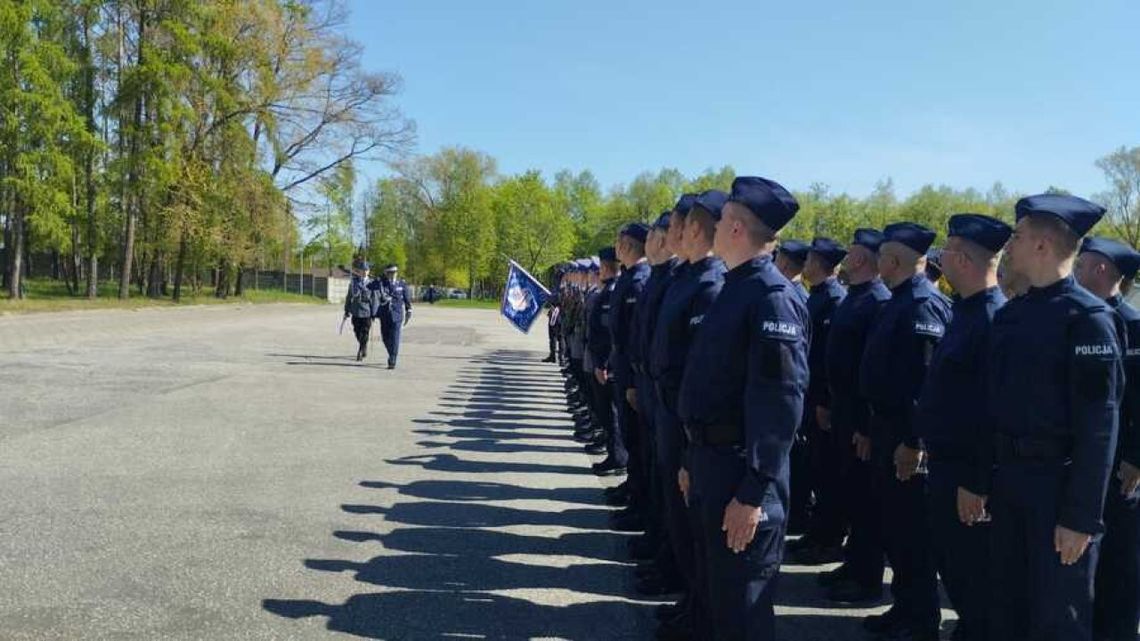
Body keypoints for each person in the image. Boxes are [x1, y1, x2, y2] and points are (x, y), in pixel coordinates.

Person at [984, 194, 1122, 641]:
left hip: (1057, 490)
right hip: (1010, 481)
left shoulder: (1087, 320)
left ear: (1042, 246)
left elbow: (1099, 427)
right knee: (1006, 608)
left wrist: (1081, 517)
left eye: (1018, 236)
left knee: (1057, 619)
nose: (1009, 245)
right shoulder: (1014, 315)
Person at [677, 176, 809, 640]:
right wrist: (693, 457)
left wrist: (753, 492)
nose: (711, 228)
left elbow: (780, 405)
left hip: (743, 476)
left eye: (720, 220)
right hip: (715, 465)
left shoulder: (772, 297)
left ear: (734, 227)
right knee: (718, 600)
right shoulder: (736, 287)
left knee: (743, 613)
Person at [915, 213, 1012, 641]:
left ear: (965, 259)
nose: (941, 258)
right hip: (947, 464)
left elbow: (993, 411)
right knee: (956, 569)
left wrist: (976, 481)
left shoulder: (993, 318)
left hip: (967, 474)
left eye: (948, 251)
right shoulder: (966, 310)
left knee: (975, 576)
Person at [858, 222, 952, 641]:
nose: (876, 262)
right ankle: (905, 607)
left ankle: (921, 620)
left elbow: (925, 383)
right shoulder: (899, 300)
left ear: (892, 260)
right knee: (894, 526)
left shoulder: (922, 305)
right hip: (886, 428)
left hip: (906, 437)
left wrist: (914, 443)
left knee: (912, 533)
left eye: (880, 256)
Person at [650, 189, 728, 641]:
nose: (669, 236)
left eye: (676, 228)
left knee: (693, 525)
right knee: (682, 520)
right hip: (670, 406)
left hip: (687, 420)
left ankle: (697, 608)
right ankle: (691, 602)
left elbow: (702, 370)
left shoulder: (710, 284)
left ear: (694, 230)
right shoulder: (688, 276)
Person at [820, 229, 893, 605]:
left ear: (861, 259)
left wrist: (865, 426)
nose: (845, 259)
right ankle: (853, 565)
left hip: (861, 418)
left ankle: (866, 577)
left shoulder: (877, 302)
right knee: (849, 491)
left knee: (866, 502)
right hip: (843, 412)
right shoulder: (856, 297)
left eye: (851, 253)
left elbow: (874, 371)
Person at [1073, 237, 1140, 641]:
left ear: (1101, 270)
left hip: (1121, 465)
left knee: (1120, 558)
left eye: (1082, 266)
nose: (1075, 273)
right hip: (1086, 456)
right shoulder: (1080, 318)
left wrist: (1136, 456)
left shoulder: (1133, 324)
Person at [786, 237, 848, 566]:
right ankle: (816, 533)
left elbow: (830, 359)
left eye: (809, 260)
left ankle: (829, 538)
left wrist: (825, 400)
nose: (804, 265)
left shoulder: (835, 299)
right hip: (810, 397)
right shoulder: (819, 297)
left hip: (823, 402)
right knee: (815, 466)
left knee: (828, 474)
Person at [607, 223, 653, 526]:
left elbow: (636, 337)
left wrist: (634, 379)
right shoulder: (630, 277)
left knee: (638, 442)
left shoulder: (639, 280)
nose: (616, 248)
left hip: (635, 375)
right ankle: (634, 492)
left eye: (619, 243)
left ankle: (640, 501)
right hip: (624, 369)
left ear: (628, 246)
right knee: (631, 437)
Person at [588, 247, 623, 476]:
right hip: (602, 362)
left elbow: (612, 334)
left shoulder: (612, 292)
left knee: (612, 416)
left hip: (608, 365)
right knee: (606, 413)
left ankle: (617, 457)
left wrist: (605, 364)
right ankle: (614, 455)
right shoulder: (609, 290)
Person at [343, 260, 384, 361]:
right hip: (356, 310)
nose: (365, 272)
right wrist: (346, 310)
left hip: (367, 311)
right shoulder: (354, 282)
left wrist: (374, 313)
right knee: (357, 331)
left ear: (369, 271)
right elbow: (349, 296)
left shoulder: (372, 283)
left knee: (365, 331)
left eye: (367, 270)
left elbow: (375, 299)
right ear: (359, 271)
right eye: (363, 270)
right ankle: (363, 344)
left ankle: (361, 350)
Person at [377, 264, 413, 369]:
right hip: (384, 315)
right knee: (385, 338)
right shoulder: (381, 283)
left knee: (395, 338)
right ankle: (391, 353)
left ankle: (392, 359)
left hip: (397, 316)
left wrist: (408, 310)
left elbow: (407, 299)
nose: (393, 275)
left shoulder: (402, 284)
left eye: (394, 272)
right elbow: (370, 288)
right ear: (386, 273)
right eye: (390, 273)